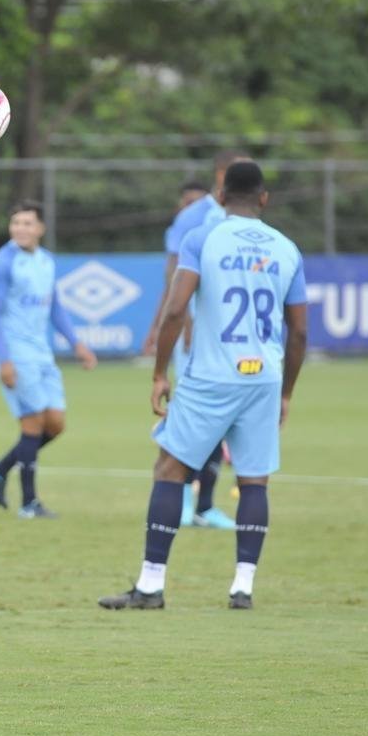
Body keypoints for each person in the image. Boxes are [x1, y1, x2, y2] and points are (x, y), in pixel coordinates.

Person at [99, 161, 308, 611]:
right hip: (264, 377)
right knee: (254, 480)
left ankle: (151, 586)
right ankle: (243, 588)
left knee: (170, 471)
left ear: (220, 195)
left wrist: (159, 373)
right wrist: (287, 392)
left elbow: (176, 310)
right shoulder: (288, 248)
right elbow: (300, 333)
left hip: (211, 376)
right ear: (264, 199)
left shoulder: (202, 238)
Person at [144, 153, 248, 529]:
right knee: (188, 415)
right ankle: (183, 497)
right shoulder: (193, 217)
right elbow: (175, 272)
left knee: (224, 420)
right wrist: (178, 319)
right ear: (220, 175)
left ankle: (205, 505)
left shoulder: (244, 219)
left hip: (230, 340)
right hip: (195, 336)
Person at [0, 201, 98, 519]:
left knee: (55, 425)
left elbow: (54, 306)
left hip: (41, 353)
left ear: (40, 228)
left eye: (27, 223)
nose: (20, 228)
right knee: (32, 424)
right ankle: (29, 503)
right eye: (16, 222)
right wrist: (4, 359)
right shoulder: (4, 262)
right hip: (15, 353)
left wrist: (77, 343)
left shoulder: (46, 261)